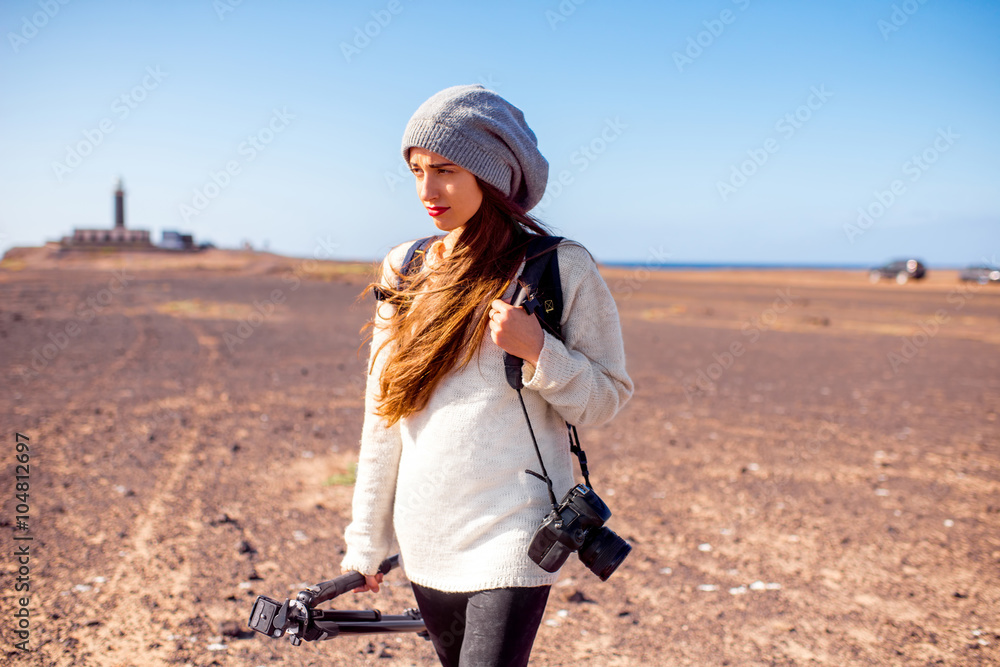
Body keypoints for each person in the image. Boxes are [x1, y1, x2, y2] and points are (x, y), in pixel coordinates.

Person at [340, 84, 633, 667]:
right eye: (417, 171)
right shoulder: (406, 267)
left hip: (515, 535)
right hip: (426, 533)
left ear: (492, 175)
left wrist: (539, 351)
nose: (427, 190)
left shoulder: (558, 266)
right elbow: (383, 417)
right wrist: (367, 542)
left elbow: (606, 400)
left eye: (445, 170)